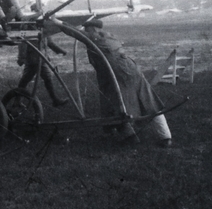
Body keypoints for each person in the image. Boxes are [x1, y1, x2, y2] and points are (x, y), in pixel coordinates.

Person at [49, 17, 172, 147]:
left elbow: (73, 32)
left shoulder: (93, 37)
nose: (86, 30)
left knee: (115, 104)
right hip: (132, 69)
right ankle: (165, 137)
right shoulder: (110, 36)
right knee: (149, 101)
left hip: (115, 73)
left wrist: (57, 22)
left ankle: (129, 136)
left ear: (92, 28)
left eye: (87, 28)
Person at [17, 24, 70, 106]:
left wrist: (61, 51)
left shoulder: (44, 30)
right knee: (27, 79)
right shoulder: (28, 30)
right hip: (33, 60)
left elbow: (50, 43)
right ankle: (17, 100)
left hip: (42, 60)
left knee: (43, 78)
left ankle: (54, 100)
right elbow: (22, 44)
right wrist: (21, 58)